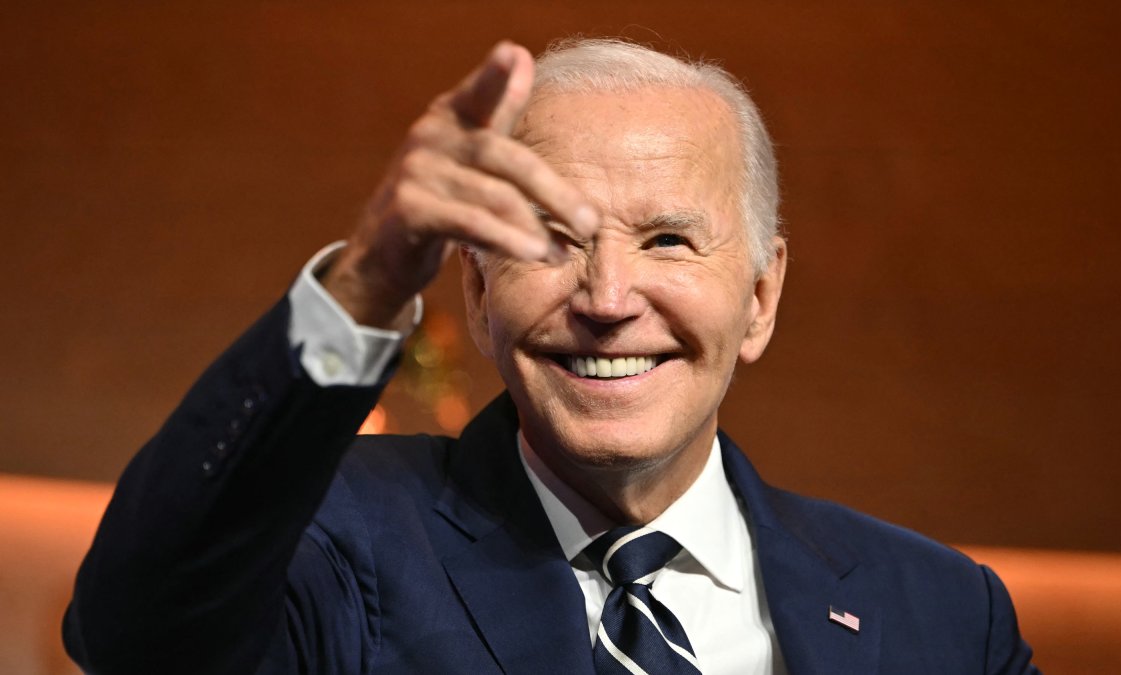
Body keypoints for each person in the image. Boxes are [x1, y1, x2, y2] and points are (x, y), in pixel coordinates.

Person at [63, 38, 1039, 674]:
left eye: (667, 241)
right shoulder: (334, 538)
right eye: (551, 239)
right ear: (478, 290)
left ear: (761, 296)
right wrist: (367, 279)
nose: (608, 302)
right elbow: (139, 633)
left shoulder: (948, 616)